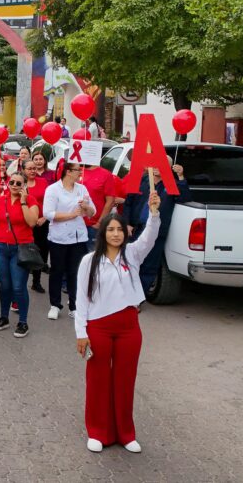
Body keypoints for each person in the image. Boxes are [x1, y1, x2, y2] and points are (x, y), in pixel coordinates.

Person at [75, 192, 161, 454]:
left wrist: (154, 212)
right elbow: (81, 299)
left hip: (128, 328)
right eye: (110, 230)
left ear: (126, 233)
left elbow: (150, 237)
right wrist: (81, 333)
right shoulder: (89, 261)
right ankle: (98, 431)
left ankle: (125, 433)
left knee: (125, 380)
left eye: (119, 230)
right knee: (99, 379)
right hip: (98, 327)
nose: (115, 234)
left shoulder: (132, 255)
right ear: (103, 234)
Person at [124, 161, 190, 294]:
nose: (155, 167)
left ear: (168, 167)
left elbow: (184, 198)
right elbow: (128, 203)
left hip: (156, 233)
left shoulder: (171, 184)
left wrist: (181, 176)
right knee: (130, 263)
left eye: (160, 164)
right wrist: (127, 223)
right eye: (153, 164)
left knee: (149, 266)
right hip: (137, 230)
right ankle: (126, 295)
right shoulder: (141, 180)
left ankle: (138, 298)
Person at [43, 161, 95, 320]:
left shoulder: (82, 189)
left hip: (78, 238)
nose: (80, 173)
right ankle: (55, 304)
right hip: (59, 238)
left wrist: (86, 207)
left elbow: (92, 213)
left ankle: (74, 305)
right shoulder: (53, 190)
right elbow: (48, 213)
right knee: (57, 271)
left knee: (75, 272)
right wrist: (71, 215)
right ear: (67, 172)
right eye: (77, 170)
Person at [0, 172, 39, 337]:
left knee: (18, 287)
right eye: (12, 182)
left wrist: (24, 201)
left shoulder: (30, 200)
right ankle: (4, 317)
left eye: (19, 183)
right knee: (5, 285)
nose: (15, 186)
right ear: (8, 183)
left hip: (21, 248)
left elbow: (32, 222)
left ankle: (23, 322)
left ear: (24, 185)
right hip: (0, 247)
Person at [23, 160, 51, 297]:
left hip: (42, 222)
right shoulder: (19, 183)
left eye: (34, 168)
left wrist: (44, 217)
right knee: (26, 252)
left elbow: (49, 201)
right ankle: (22, 282)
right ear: (23, 170)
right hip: (26, 223)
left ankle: (36, 281)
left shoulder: (43, 182)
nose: (33, 171)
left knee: (42, 252)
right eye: (29, 168)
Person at [80, 162, 119, 250]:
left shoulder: (105, 174)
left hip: (93, 226)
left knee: (93, 257)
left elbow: (110, 201)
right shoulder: (75, 171)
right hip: (74, 224)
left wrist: (99, 223)